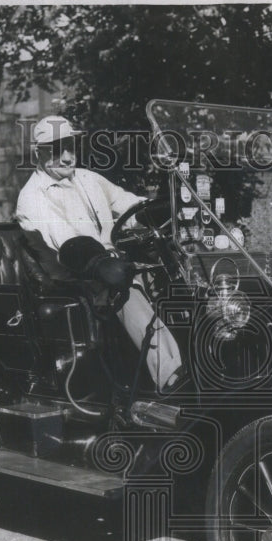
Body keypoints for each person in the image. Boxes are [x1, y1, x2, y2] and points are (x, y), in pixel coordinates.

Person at [15, 115, 184, 391]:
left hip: (111, 265)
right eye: (58, 149)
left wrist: (165, 209)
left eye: (71, 146)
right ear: (39, 152)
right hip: (77, 279)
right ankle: (172, 379)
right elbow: (67, 241)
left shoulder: (87, 178)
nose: (68, 156)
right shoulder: (33, 197)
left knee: (176, 276)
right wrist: (101, 262)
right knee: (125, 289)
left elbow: (127, 204)